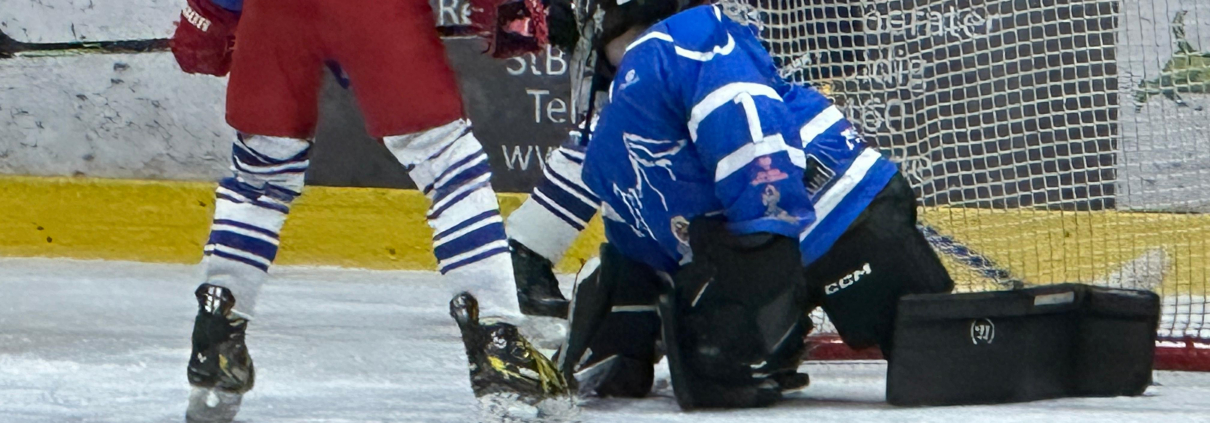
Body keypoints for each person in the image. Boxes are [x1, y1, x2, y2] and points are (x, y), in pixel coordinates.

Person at [168, 0, 571, 421]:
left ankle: (217, 336)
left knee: (259, 180)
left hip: (276, 13)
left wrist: (207, 12)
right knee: (449, 166)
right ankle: (496, 340)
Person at [548, 0, 955, 409]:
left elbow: (743, 116)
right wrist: (622, 337)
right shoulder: (609, 135)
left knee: (934, 358)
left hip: (844, 213)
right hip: (768, 240)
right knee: (708, 374)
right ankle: (776, 332)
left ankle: (780, 322)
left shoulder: (682, 41)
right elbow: (641, 246)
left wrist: (760, 239)